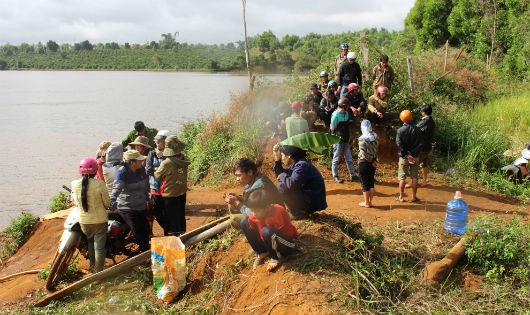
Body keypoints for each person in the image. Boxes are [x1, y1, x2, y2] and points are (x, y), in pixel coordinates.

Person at [241, 190, 298, 272]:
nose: (254, 213)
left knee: (267, 231)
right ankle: (262, 252)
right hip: (269, 240)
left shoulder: (278, 211)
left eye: (256, 211)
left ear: (267, 207)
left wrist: (262, 221)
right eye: (252, 210)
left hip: (286, 243)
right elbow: (252, 228)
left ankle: (276, 257)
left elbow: (276, 234)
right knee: (244, 222)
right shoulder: (255, 215)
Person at [71, 157, 110, 272]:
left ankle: (92, 265)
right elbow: (107, 203)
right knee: (99, 248)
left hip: (84, 222)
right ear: (95, 170)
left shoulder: (74, 184)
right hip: (99, 221)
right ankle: (98, 272)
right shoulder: (100, 184)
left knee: (90, 243)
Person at [223, 158, 283, 228]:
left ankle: (252, 231)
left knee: (234, 219)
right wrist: (238, 198)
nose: (237, 179)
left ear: (250, 172)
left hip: (271, 218)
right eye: (236, 176)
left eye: (239, 175)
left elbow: (255, 212)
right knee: (232, 205)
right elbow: (253, 202)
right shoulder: (254, 178)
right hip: (261, 211)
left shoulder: (259, 186)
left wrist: (237, 202)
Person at [110, 150, 150, 252]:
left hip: (141, 206)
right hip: (127, 208)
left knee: (146, 230)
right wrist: (112, 201)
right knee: (138, 232)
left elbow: (145, 187)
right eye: (139, 161)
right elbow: (116, 189)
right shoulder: (122, 173)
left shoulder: (141, 170)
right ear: (132, 163)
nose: (142, 162)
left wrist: (148, 199)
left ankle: (145, 252)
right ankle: (144, 255)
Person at [273, 144, 327, 219]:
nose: (282, 158)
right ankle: (297, 211)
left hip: (313, 202)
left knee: (282, 187)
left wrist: (282, 176)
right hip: (308, 197)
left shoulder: (302, 165)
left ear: (289, 156)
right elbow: (279, 174)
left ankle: (298, 213)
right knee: (283, 183)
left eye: (282, 155)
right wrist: (277, 157)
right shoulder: (295, 164)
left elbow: (291, 184)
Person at [154, 135, 190, 236]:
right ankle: (182, 234)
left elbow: (157, 175)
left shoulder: (166, 163)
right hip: (181, 191)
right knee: (180, 214)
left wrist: (155, 169)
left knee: (169, 217)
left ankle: (171, 238)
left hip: (169, 194)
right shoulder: (184, 159)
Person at [146, 130, 171, 234]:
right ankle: (169, 229)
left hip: (168, 189)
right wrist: (161, 171)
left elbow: (171, 170)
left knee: (168, 212)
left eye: (159, 141)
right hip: (155, 188)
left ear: (166, 142)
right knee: (158, 212)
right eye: (156, 141)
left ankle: (168, 232)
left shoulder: (171, 155)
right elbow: (148, 170)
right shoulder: (152, 154)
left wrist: (156, 170)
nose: (157, 143)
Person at [395, 110, 423, 203]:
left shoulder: (400, 130)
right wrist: (412, 154)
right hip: (415, 157)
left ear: (401, 119)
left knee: (402, 177)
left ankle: (401, 197)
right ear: (411, 118)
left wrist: (407, 155)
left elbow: (399, 145)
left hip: (404, 157)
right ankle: (414, 197)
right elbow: (420, 144)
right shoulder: (418, 130)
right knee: (414, 177)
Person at [330, 98, 359, 183]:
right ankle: (335, 176)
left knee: (349, 158)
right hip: (338, 140)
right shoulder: (335, 115)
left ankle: (353, 175)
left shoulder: (346, 113)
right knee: (336, 159)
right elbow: (332, 129)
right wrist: (332, 140)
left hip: (345, 139)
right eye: (348, 106)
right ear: (344, 106)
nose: (349, 107)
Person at [411, 104, 436, 187]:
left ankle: (413, 181)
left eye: (421, 111)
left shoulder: (425, 121)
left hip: (422, 146)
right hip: (428, 145)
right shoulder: (432, 121)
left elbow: (415, 128)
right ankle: (424, 181)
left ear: (424, 113)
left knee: (414, 163)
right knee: (424, 164)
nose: (421, 112)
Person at [357, 120, 379, 208]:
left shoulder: (362, 139)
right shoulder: (375, 136)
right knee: (371, 182)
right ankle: (370, 202)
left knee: (365, 183)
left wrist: (369, 161)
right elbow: (376, 150)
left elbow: (364, 154)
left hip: (364, 163)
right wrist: (373, 161)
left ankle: (366, 203)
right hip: (373, 162)